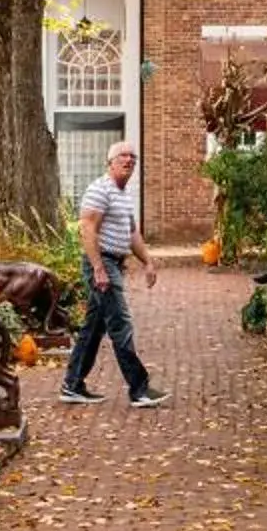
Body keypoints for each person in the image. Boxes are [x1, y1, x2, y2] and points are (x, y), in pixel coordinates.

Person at [59, 141, 167, 407]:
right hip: (102, 263)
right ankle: (139, 389)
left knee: (93, 329)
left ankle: (72, 385)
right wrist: (98, 268)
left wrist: (148, 262)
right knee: (121, 324)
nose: (129, 160)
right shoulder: (100, 189)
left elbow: (132, 234)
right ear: (110, 161)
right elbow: (87, 229)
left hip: (114, 263)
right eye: (123, 156)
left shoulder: (124, 193)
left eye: (133, 156)